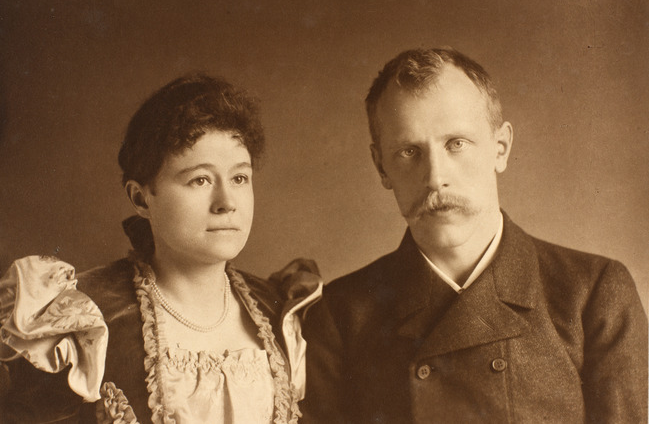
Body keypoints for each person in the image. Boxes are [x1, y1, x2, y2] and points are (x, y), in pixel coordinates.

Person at [301, 48, 648, 423]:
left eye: (456, 144)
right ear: (381, 166)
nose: (435, 177)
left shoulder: (592, 293)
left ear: (501, 148)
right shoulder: (340, 314)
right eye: (409, 151)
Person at [0, 74, 321, 423]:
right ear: (141, 198)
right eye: (200, 180)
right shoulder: (86, 321)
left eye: (239, 178)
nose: (227, 202)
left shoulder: (279, 312)